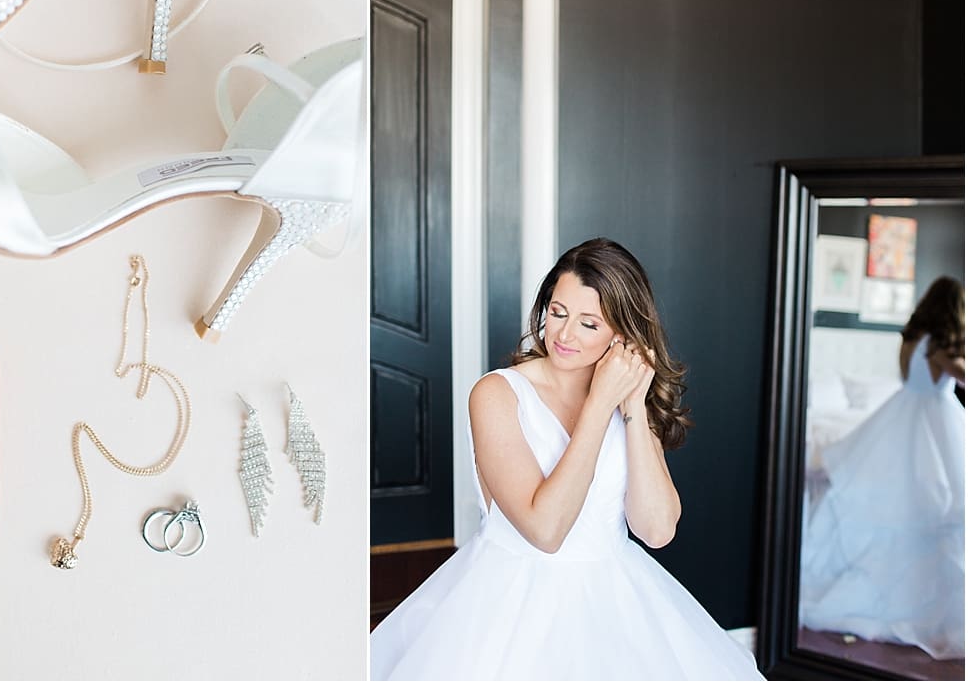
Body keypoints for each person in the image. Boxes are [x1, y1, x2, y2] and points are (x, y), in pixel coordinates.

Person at [370, 238, 764, 680]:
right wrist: (599, 406)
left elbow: (655, 530)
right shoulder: (497, 395)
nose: (563, 335)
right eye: (557, 313)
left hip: (618, 601)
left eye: (588, 323)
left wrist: (633, 405)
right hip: (510, 608)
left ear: (622, 334)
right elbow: (545, 530)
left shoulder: (626, 397)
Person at [800, 276, 965, 660]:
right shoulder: (941, 347)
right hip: (933, 425)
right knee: (937, 513)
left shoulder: (911, 339)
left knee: (911, 512)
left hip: (904, 418)